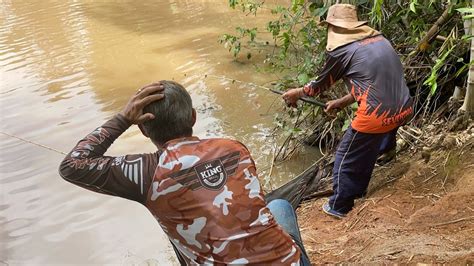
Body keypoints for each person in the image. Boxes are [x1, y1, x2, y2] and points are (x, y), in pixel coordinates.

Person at [59, 80, 310, 265]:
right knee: (279, 205)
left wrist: (123, 118)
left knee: (178, 222)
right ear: (193, 117)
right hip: (290, 262)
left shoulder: (146, 172)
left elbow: (73, 165)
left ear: (144, 132)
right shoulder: (234, 149)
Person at [282, 4, 413, 218]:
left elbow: (317, 86)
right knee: (366, 146)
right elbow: (371, 82)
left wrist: (297, 93)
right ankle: (384, 154)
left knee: (345, 156)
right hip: (403, 110)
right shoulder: (380, 41)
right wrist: (342, 102)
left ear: (332, 26)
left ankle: (340, 206)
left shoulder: (342, 50)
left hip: (376, 118)